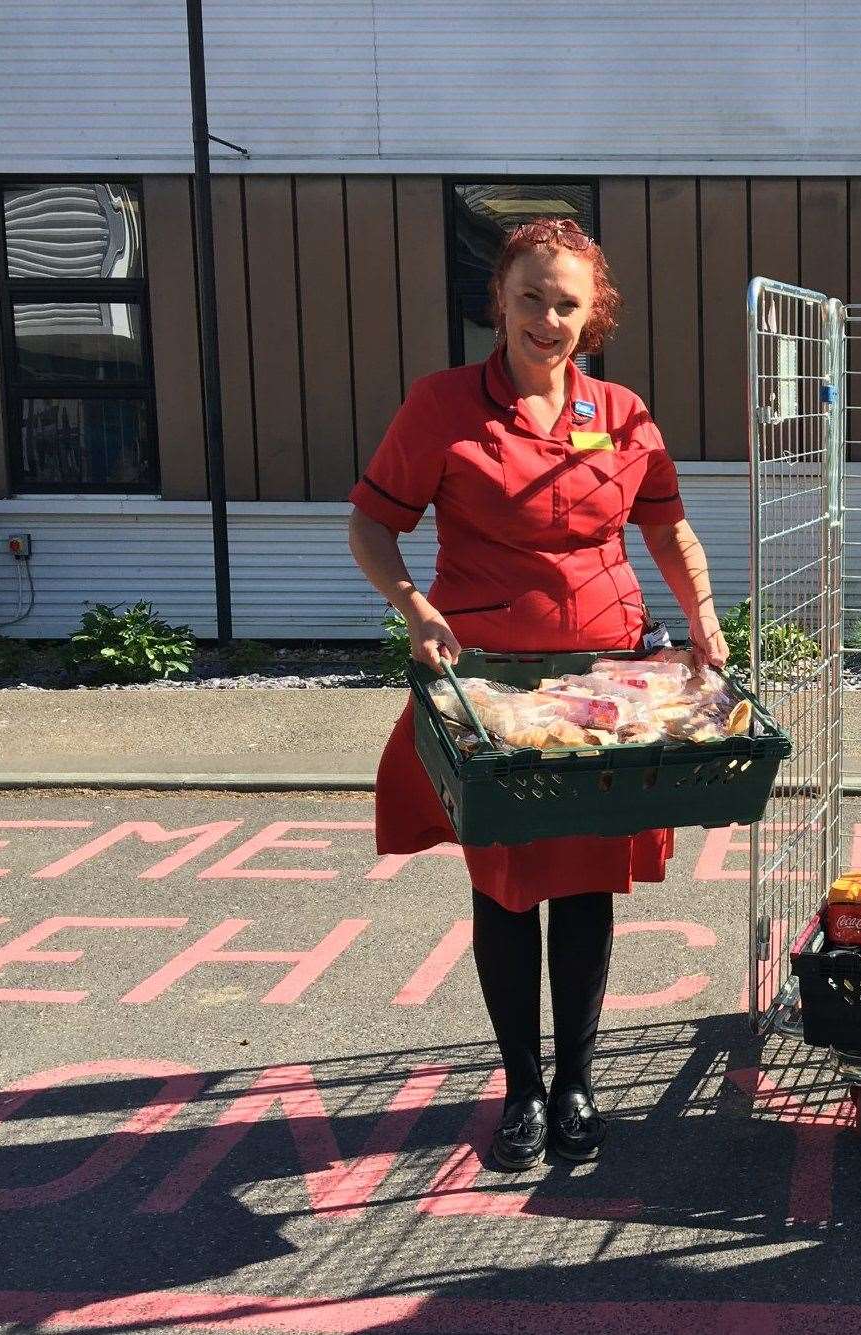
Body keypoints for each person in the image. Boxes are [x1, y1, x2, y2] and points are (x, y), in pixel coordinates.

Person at [347, 218, 727, 1171]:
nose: (548, 319)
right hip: (493, 689)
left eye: (567, 302)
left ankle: (578, 1083)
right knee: (508, 887)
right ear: (500, 301)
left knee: (589, 882)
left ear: (593, 312)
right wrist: (413, 605)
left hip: (605, 685)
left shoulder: (624, 412)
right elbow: (371, 523)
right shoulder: (442, 407)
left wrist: (708, 618)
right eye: (531, 297)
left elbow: (670, 530)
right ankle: (521, 1087)